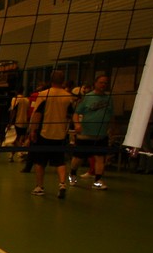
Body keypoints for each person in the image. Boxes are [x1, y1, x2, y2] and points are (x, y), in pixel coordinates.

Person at [29, 70, 77, 198]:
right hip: (60, 134)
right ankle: (62, 184)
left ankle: (39, 187)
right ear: (63, 80)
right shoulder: (68, 96)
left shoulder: (44, 94)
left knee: (40, 162)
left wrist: (33, 130)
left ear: (50, 80)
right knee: (60, 161)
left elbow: (37, 114)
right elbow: (71, 114)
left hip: (44, 133)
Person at [69, 74, 113, 190]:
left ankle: (97, 181)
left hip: (101, 135)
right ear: (95, 83)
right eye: (101, 82)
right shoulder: (87, 97)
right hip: (86, 135)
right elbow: (76, 113)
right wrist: (77, 124)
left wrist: (111, 129)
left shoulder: (109, 98)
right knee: (78, 158)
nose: (103, 85)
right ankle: (72, 174)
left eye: (105, 83)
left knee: (100, 158)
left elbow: (111, 115)